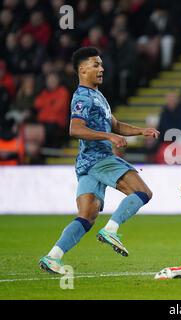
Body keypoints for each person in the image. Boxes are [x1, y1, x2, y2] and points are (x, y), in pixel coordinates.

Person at [39, 47, 160, 274]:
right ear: (82, 69)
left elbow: (116, 125)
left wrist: (141, 131)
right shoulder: (82, 96)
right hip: (99, 158)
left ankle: (52, 256)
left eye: (101, 64)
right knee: (143, 192)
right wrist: (109, 137)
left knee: (87, 216)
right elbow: (75, 129)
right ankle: (111, 230)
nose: (101, 68)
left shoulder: (98, 96)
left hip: (86, 164)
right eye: (96, 65)